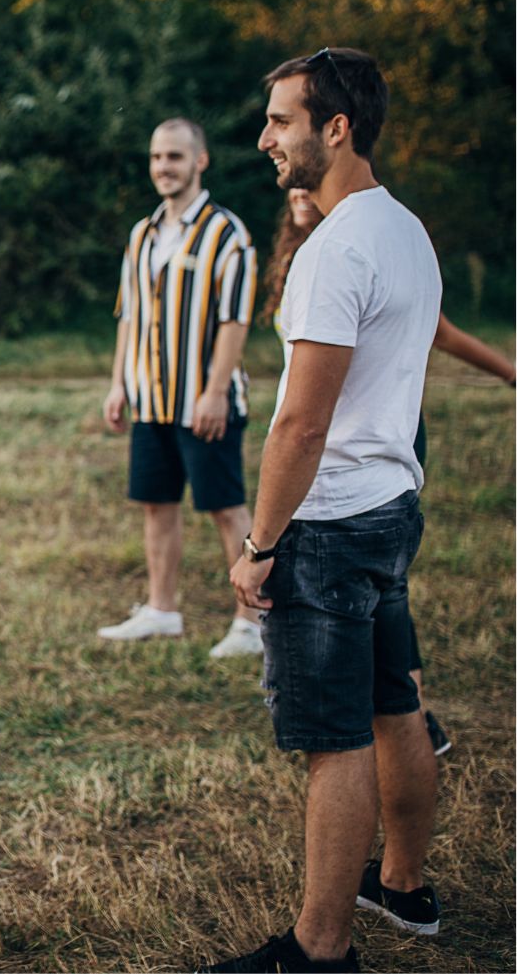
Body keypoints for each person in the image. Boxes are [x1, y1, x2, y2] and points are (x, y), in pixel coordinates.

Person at [205, 48, 442, 974]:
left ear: (334, 128)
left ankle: (320, 948)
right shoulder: (405, 230)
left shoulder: (334, 248)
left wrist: (260, 544)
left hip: (332, 522)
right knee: (396, 704)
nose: (265, 138)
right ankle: (406, 885)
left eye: (281, 120)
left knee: (333, 739)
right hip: (390, 506)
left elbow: (301, 424)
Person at [265, 186, 515, 757]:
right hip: (331, 447)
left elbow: (442, 334)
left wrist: (511, 374)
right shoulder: (308, 257)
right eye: (293, 192)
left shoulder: (355, 248)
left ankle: (410, 709)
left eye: (307, 184)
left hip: (366, 447)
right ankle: (402, 709)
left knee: (376, 592)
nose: (299, 193)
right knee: (375, 593)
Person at [99, 119, 264, 658]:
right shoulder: (142, 234)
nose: (163, 167)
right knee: (156, 504)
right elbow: (128, 316)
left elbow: (235, 320)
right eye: (156, 157)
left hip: (202, 401)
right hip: (150, 399)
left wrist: (216, 392)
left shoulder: (226, 233)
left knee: (226, 508)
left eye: (174, 156)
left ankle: (252, 623)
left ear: (200, 161)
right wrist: (119, 381)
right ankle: (162, 609)